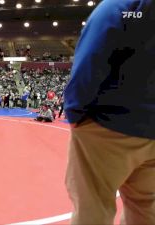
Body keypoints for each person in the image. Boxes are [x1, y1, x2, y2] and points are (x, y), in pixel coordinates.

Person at [64, 0, 155, 224]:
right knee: (146, 209)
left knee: (92, 207)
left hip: (109, 126)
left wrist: (75, 113)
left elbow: (89, 61)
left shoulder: (121, 6)